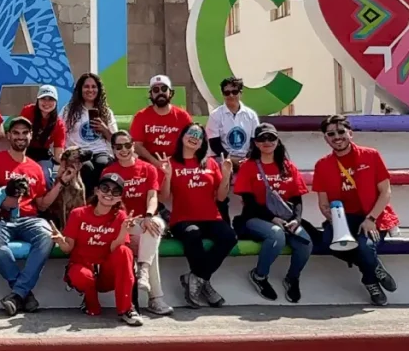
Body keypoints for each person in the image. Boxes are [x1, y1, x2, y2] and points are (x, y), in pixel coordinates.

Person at [0, 116, 79, 316]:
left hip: (29, 219)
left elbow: (42, 203)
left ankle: (17, 294)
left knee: (46, 235)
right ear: (8, 136)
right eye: (16, 133)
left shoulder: (35, 168)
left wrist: (61, 182)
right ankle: (24, 293)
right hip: (1, 219)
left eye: (25, 133)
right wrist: (0, 197)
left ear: (31, 136)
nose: (20, 137)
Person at [312, 114, 400, 306]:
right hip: (343, 219)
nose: (337, 137)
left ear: (350, 133)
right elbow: (323, 203)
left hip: (372, 215)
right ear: (325, 138)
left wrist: (370, 219)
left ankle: (369, 281)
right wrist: (334, 219)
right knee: (329, 243)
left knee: (365, 247)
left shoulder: (371, 155)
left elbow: (385, 192)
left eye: (341, 131)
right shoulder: (322, 165)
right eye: (331, 134)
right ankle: (375, 268)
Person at [161, 123, 237, 309]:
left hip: (211, 217)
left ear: (203, 142)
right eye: (191, 133)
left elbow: (220, 197)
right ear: (182, 137)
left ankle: (196, 277)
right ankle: (204, 282)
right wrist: (167, 176)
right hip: (182, 219)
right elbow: (164, 197)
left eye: (199, 135)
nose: (194, 137)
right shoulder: (171, 163)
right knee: (192, 233)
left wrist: (226, 175)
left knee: (229, 237)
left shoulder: (210, 163)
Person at [233, 123, 312, 303]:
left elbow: (297, 198)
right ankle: (259, 276)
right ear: (256, 143)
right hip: (255, 218)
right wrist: (272, 218)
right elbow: (249, 201)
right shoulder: (249, 166)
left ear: (277, 141)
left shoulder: (288, 166)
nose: (267, 142)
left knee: (305, 243)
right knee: (276, 236)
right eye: (262, 139)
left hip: (286, 218)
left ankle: (292, 278)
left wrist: (296, 220)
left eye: (271, 138)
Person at [54, 173, 143, 325]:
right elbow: (68, 248)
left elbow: (116, 248)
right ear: (96, 191)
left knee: (125, 251)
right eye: (105, 188)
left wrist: (124, 230)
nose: (109, 194)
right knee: (81, 276)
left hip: (106, 274)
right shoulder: (78, 214)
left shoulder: (121, 216)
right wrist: (60, 241)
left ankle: (126, 309)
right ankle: (90, 304)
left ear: (120, 197)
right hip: (83, 269)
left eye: (115, 191)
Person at [101, 131, 173, 316]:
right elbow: (108, 203)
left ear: (133, 145)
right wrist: (126, 226)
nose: (123, 150)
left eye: (127, 145)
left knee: (155, 224)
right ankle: (156, 297)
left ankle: (144, 270)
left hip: (144, 221)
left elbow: (153, 197)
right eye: (118, 147)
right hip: (121, 223)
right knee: (151, 242)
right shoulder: (109, 172)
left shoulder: (148, 169)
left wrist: (148, 215)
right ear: (113, 149)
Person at [206, 76, 260, 221]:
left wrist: (247, 160)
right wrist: (232, 160)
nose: (230, 96)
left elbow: (255, 142)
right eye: (226, 92)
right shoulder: (216, 115)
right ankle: (223, 221)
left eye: (234, 92)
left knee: (256, 184)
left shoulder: (251, 115)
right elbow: (215, 144)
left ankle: (250, 220)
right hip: (222, 159)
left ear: (240, 92)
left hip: (245, 159)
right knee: (221, 186)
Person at [60, 73, 118, 194]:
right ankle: (88, 203)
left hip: (100, 151)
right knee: (86, 168)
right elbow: (60, 133)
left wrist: (104, 129)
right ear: (80, 89)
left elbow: (116, 140)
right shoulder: (68, 110)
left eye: (93, 87)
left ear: (99, 90)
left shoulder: (106, 112)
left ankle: (99, 200)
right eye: (86, 87)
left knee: (103, 164)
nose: (90, 90)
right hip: (78, 152)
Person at [130, 75, 193, 167]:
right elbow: (137, 145)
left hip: (177, 162)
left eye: (164, 89)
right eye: (156, 90)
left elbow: (191, 143)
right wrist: (156, 162)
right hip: (149, 163)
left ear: (170, 93)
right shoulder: (141, 116)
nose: (160, 92)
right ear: (151, 94)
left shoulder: (183, 116)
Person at [19, 84, 67, 187]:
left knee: (45, 177)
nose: (46, 103)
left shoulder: (59, 124)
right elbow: (18, 134)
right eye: (43, 99)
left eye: (51, 99)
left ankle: (44, 202)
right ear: (38, 100)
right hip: (23, 149)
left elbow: (58, 153)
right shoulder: (28, 111)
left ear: (56, 102)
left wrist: (66, 164)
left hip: (43, 154)